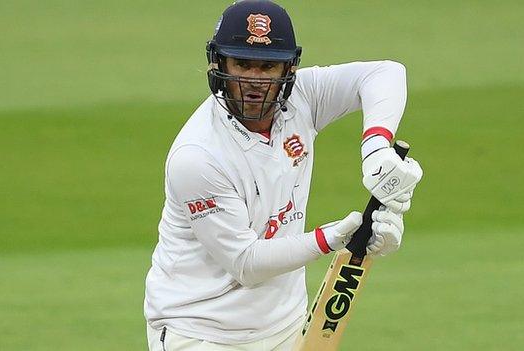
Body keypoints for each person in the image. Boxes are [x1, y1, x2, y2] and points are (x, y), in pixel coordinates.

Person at [144, 1, 423, 350]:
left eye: (268, 66)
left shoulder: (301, 99)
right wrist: (332, 238)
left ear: (288, 68)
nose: (255, 80)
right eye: (242, 63)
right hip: (202, 333)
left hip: (286, 326)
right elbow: (245, 263)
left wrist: (376, 148)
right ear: (219, 64)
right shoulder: (198, 156)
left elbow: (386, 73)